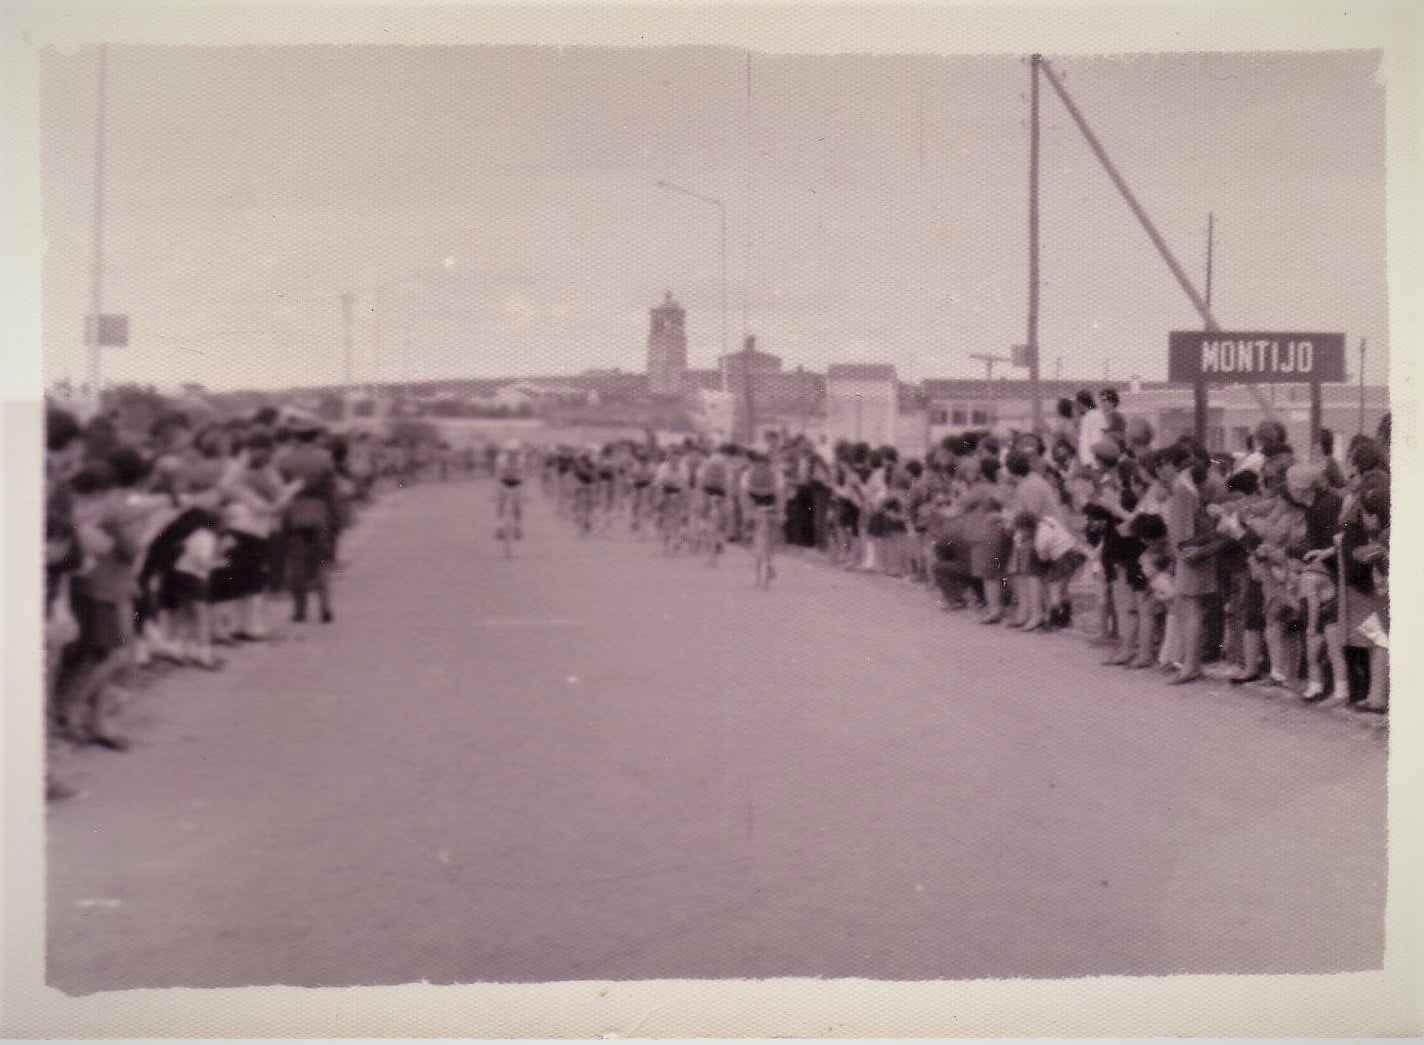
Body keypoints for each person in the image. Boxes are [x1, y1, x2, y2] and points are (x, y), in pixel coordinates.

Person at [278, 421, 339, 623]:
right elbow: (331, 490)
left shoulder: (286, 460)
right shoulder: (325, 458)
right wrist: (334, 515)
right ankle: (325, 607)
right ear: (314, 437)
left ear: (297, 437)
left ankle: (299, 610)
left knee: (297, 563)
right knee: (321, 561)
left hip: (295, 511)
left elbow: (281, 489)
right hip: (319, 510)